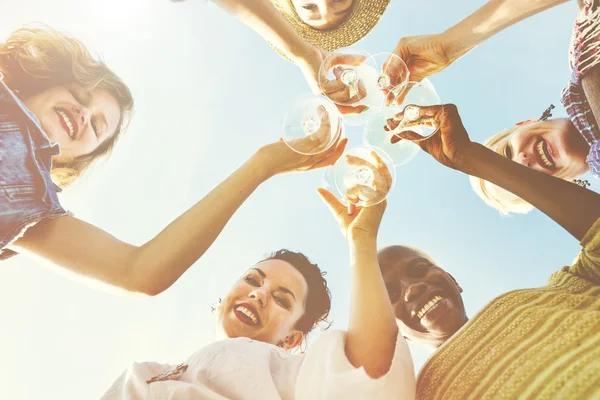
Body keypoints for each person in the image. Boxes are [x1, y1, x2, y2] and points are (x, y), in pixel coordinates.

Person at [0, 24, 347, 296]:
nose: (83, 112)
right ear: (45, 84)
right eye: (78, 95)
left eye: (95, 125)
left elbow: (138, 272)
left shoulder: (33, 205)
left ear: (75, 159)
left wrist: (262, 164)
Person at [101, 182, 416, 399]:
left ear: (291, 339)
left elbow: (369, 371)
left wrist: (360, 241)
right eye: (252, 280)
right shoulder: (150, 372)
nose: (259, 293)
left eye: (281, 298)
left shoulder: (285, 370)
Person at [384, 103, 600, 399]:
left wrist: (471, 158)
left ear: (452, 279)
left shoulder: (559, 291)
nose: (413, 288)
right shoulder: (418, 393)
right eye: (391, 294)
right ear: (395, 334)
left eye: (419, 269)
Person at [383, 0, 600, 214]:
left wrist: (447, 46)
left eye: (506, 153)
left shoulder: (582, 46)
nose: (522, 163)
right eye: (520, 180)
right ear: (556, 195)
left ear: (527, 123)